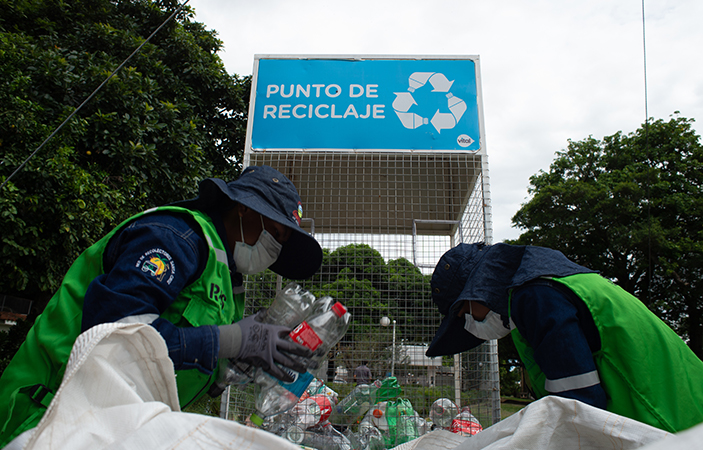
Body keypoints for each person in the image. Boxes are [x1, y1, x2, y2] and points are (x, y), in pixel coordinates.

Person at [0, 165, 324, 446]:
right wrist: (230, 341)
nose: (275, 248)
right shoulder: (175, 237)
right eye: (277, 234)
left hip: (108, 426)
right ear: (245, 209)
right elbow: (113, 335)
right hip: (46, 416)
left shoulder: (225, 279)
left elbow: (174, 361)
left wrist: (232, 368)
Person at [426, 242, 703, 433]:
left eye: (464, 312)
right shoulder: (547, 287)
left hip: (667, 424)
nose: (468, 322)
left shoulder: (536, 296)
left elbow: (578, 407)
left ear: (478, 292)